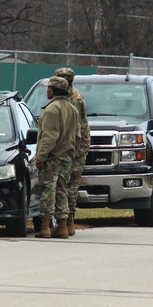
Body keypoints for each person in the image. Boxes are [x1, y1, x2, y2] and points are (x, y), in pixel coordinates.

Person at [34, 76, 79, 239]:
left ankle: (45, 226)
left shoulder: (52, 109)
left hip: (53, 158)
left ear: (53, 90)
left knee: (48, 190)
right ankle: (62, 227)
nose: (47, 90)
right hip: (67, 157)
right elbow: (78, 136)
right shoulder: (72, 109)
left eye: (49, 88)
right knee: (62, 190)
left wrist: (41, 157)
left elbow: (50, 137)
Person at [56, 67, 89, 237]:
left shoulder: (73, 99)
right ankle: (65, 221)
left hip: (75, 147)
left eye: (61, 78)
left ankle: (68, 221)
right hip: (68, 145)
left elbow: (74, 128)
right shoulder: (62, 97)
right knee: (65, 184)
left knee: (70, 185)